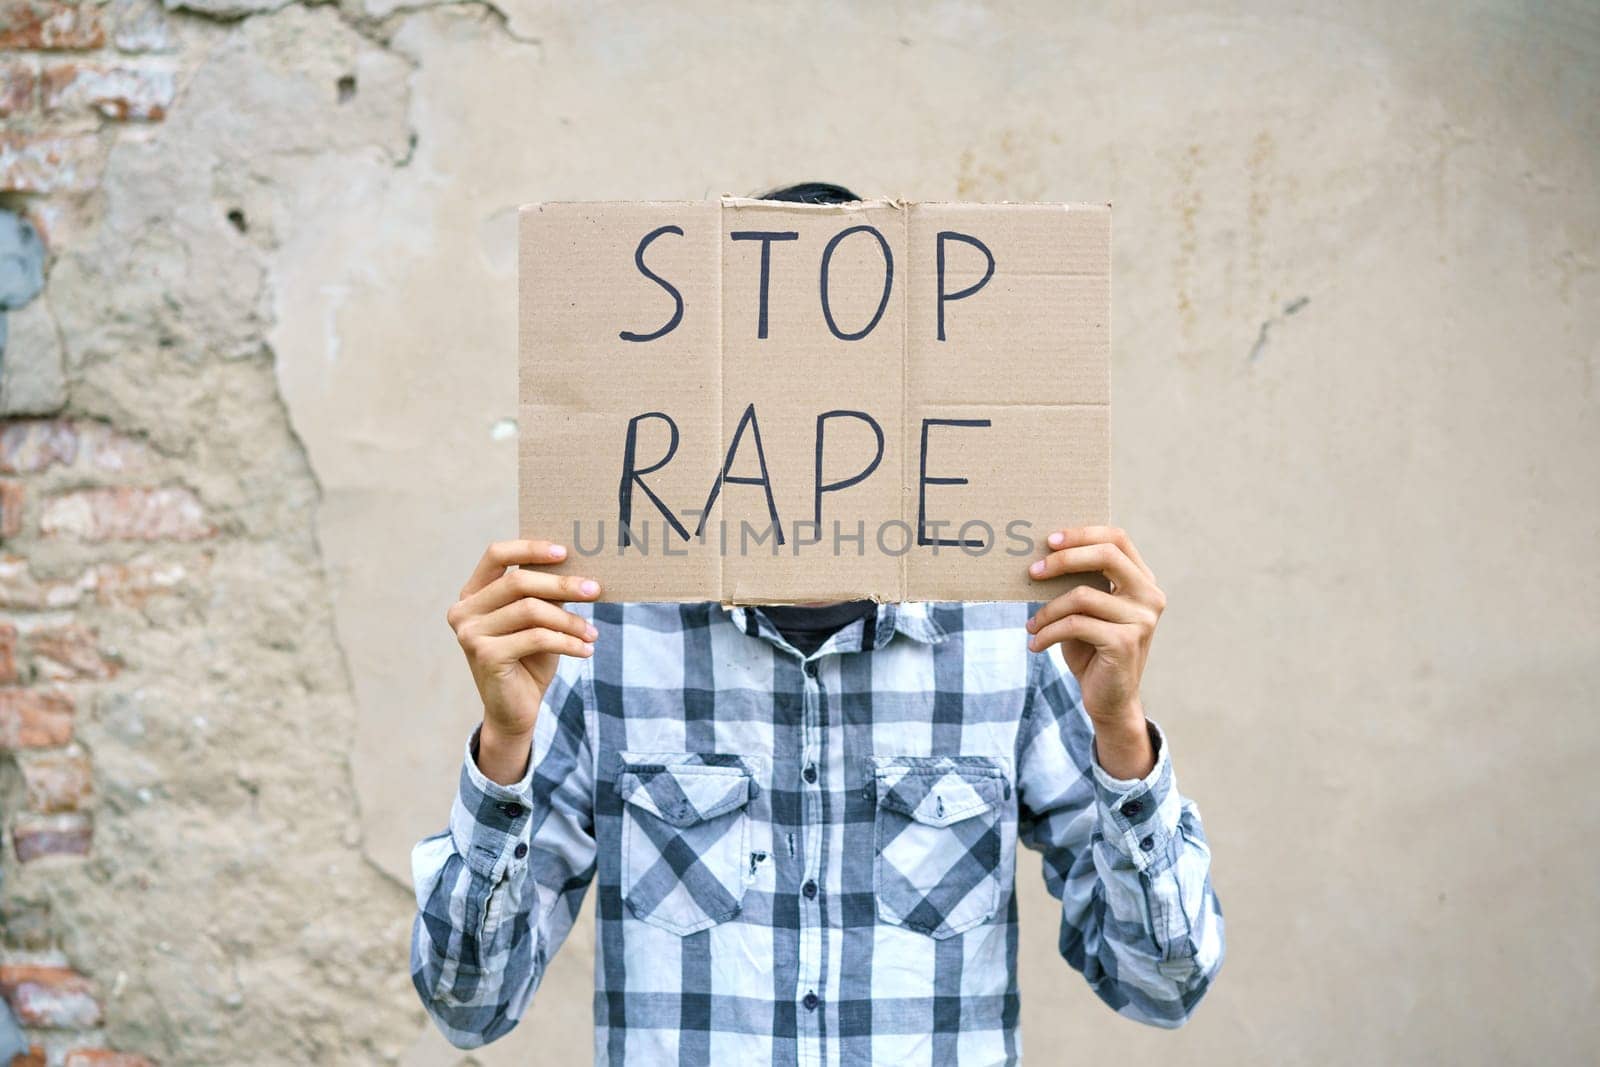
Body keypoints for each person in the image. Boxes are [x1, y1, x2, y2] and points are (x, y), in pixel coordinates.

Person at [410, 183, 1225, 1063]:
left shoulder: (1011, 640)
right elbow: (469, 1007)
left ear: (906, 405)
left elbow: (1162, 985)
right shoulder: (602, 641)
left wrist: (1119, 735)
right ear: (714, 398)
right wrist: (503, 748)